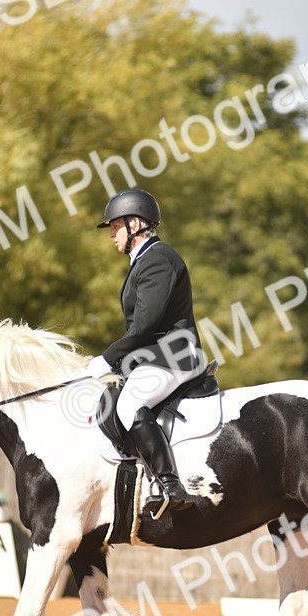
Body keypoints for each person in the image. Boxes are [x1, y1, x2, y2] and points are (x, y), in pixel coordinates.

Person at [86, 188, 205, 514]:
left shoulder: (158, 259)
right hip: (156, 356)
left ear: (135, 224)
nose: (111, 233)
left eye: (115, 226)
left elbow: (145, 325)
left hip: (174, 355)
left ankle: (170, 486)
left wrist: (108, 357)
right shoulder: (144, 261)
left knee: (130, 404)